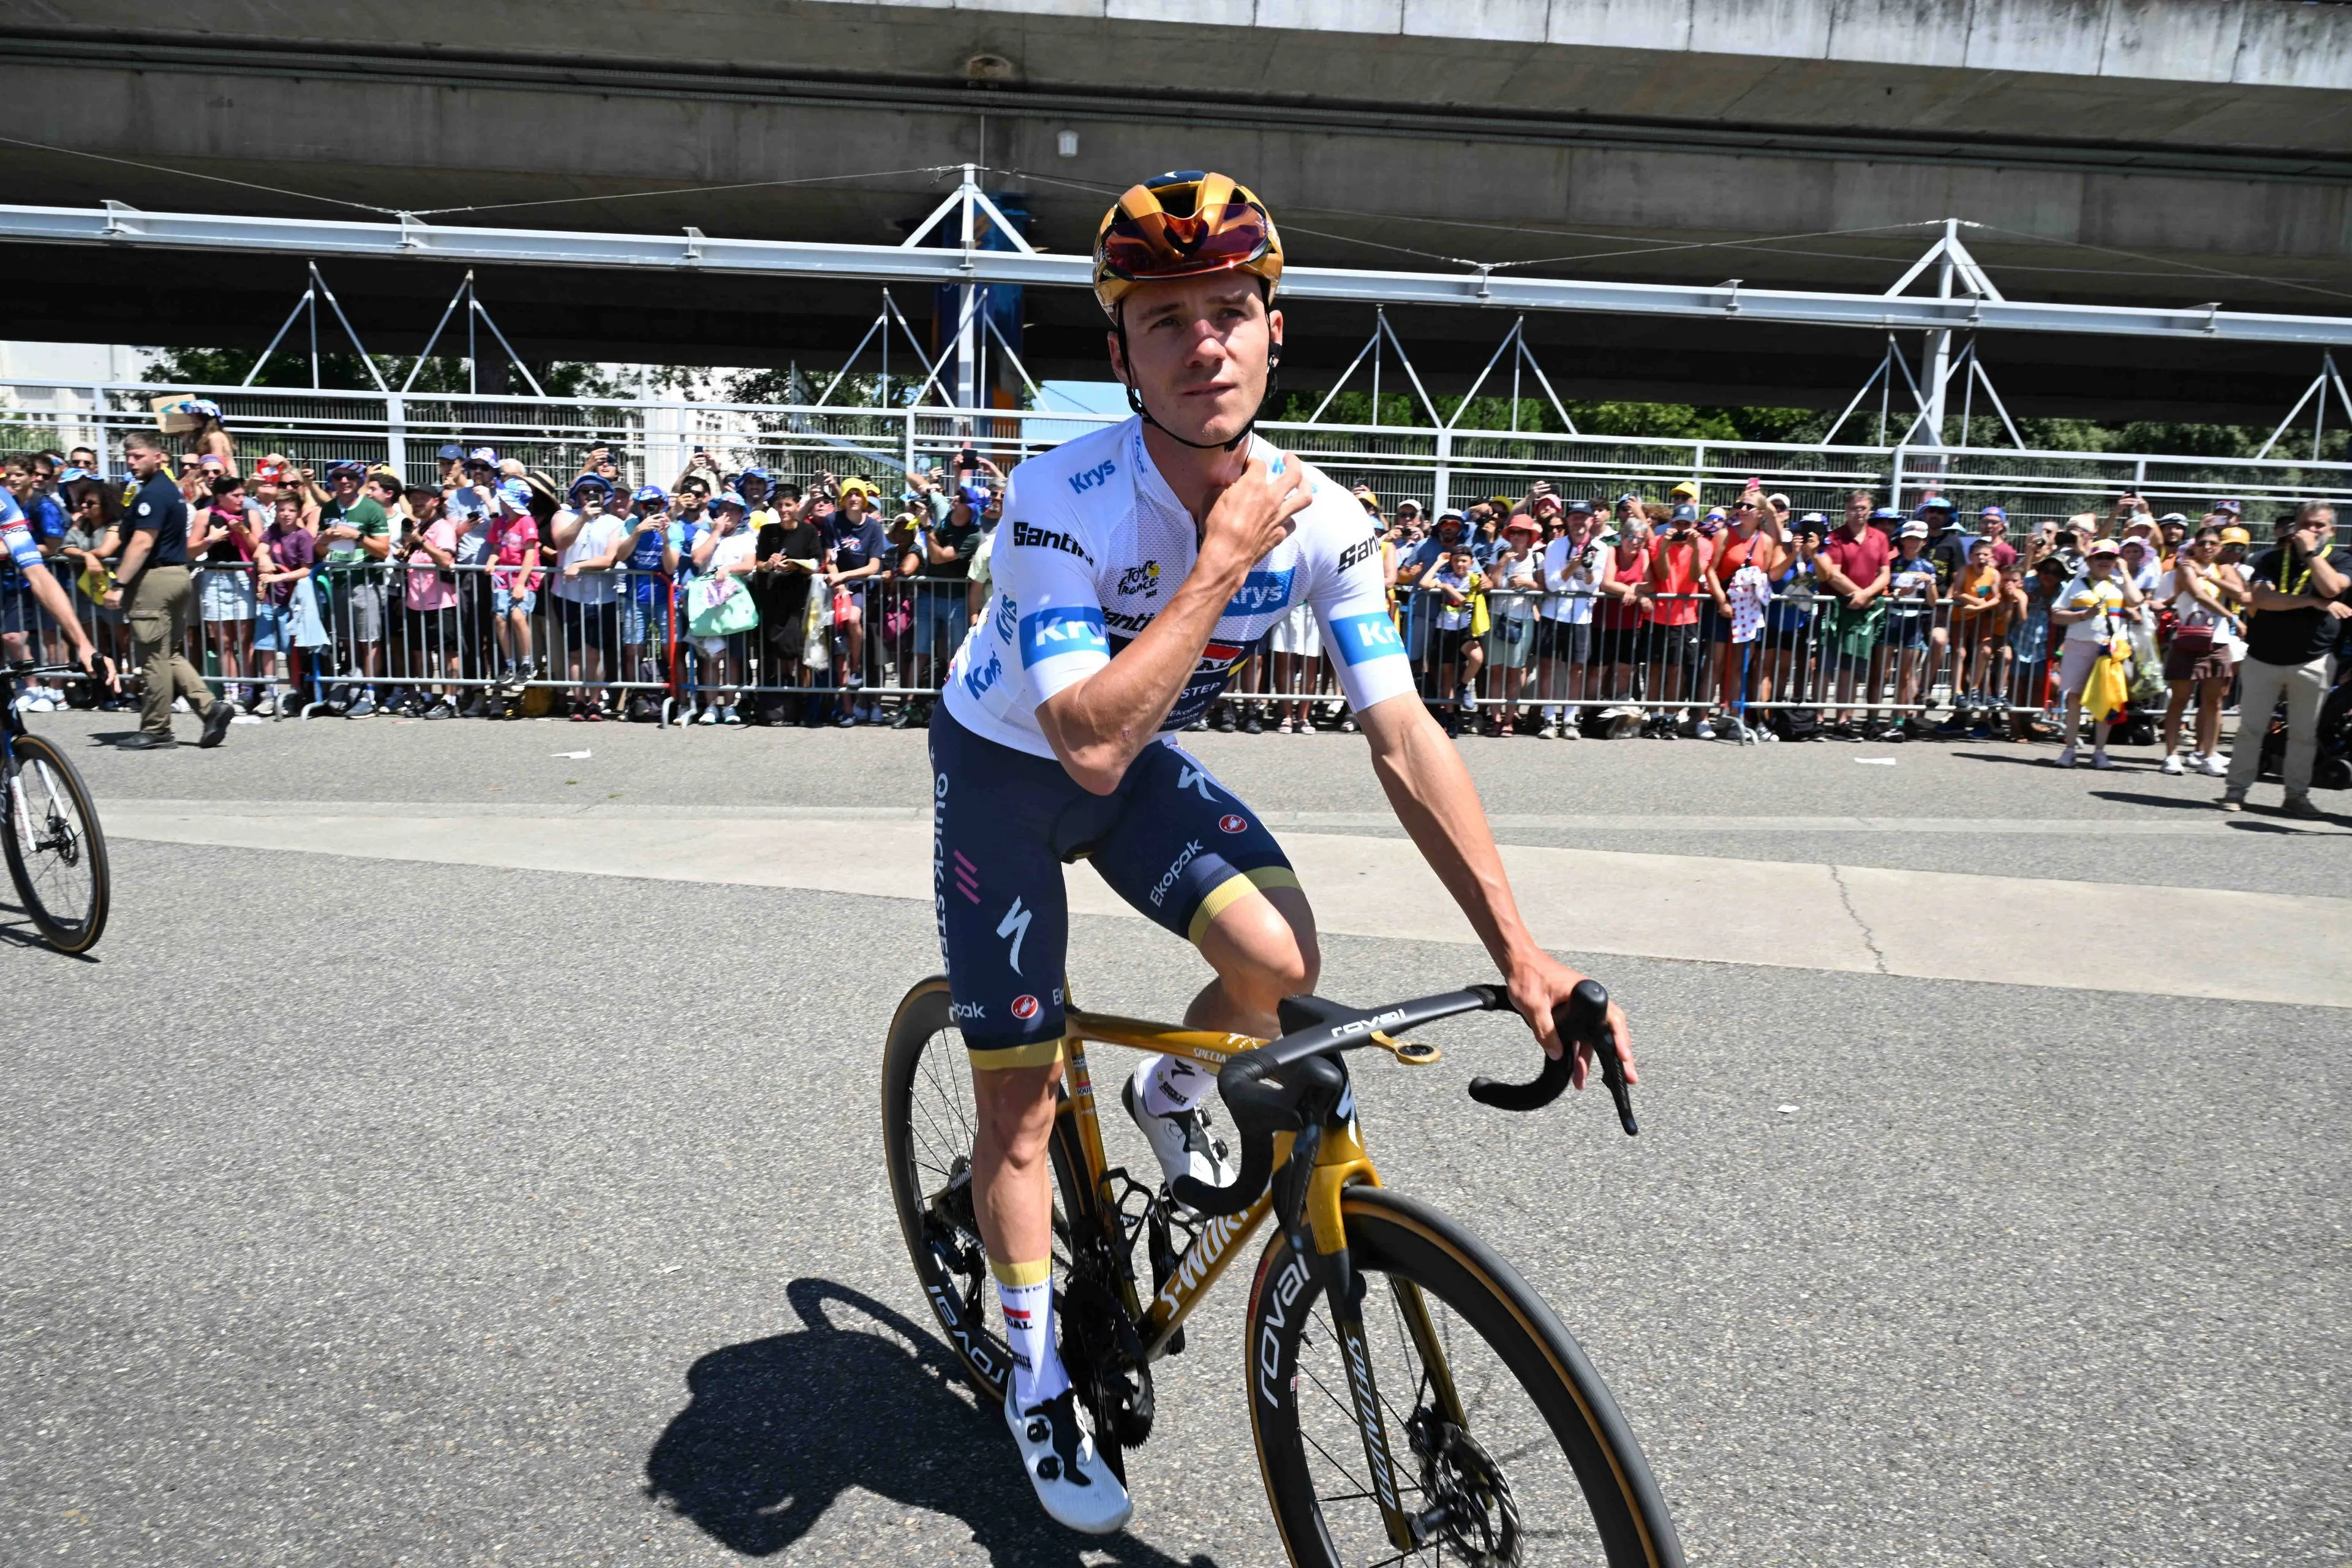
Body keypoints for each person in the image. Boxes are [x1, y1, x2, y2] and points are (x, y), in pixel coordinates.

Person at [930, 170, 1632, 1536]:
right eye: (1167, 319)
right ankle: (1032, 1380)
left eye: (1231, 312)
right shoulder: (1062, 496)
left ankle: (1169, 1091)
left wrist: (1521, 950)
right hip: (1015, 767)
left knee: (1278, 956)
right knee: (1017, 1100)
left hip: (1128, 754)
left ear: (1274, 328)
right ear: (1120, 349)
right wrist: (1216, 561)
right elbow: (1081, 736)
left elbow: (1405, 734)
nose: (1205, 344)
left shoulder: (1327, 514)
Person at [102, 433, 233, 749]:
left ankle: (157, 728)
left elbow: (143, 541)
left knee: (153, 659)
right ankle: (210, 708)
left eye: (137, 456)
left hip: (155, 581)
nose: (131, 462)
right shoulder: (169, 492)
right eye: (128, 457)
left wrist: (118, 584)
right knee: (168, 654)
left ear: (159, 456)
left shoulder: (154, 495)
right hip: (176, 576)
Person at [2220, 501, 2346, 817]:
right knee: (2251, 728)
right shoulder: (2271, 559)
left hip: (2313, 660)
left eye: (2319, 525)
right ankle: (2236, 791)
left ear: (2332, 531)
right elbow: (2262, 599)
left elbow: (2331, 587)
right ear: (2295, 526)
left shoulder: (2342, 560)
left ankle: (2296, 796)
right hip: (2264, 657)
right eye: (2306, 523)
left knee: (2304, 734)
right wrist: (2311, 602)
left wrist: (2312, 555)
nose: (2311, 530)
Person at [2049, 538, 2143, 770]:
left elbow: (2137, 600)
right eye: (2099, 557)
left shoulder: (2120, 583)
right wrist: (2083, 616)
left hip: (2109, 650)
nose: (2104, 561)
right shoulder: (2076, 584)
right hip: (2078, 645)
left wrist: (2124, 571)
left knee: (2107, 699)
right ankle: (2070, 749)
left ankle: (2100, 752)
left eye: (2110, 557)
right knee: (2074, 698)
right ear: (2090, 561)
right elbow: (2056, 615)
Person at [2158, 525, 2237, 777]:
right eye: (2203, 543)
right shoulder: (2186, 567)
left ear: (2220, 547)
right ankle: (2171, 755)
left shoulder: (2223, 570)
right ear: (2194, 546)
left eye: (2213, 543)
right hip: (2189, 640)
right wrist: (2233, 617)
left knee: (2214, 701)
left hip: (2218, 640)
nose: (2207, 547)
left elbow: (2243, 594)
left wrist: (2215, 578)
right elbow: (2198, 594)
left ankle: (2208, 755)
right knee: (2180, 699)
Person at [1817, 491, 1892, 739]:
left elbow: (1885, 574)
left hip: (1865, 609)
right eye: (1853, 508)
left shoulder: (1880, 537)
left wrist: (1867, 595)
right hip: (1839, 608)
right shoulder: (1834, 537)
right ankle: (1818, 718)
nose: (1858, 512)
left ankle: (1843, 721)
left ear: (1870, 510)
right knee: (1826, 667)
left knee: (1853, 669)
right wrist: (1858, 594)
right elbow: (1833, 574)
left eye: (1863, 508)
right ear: (1846, 510)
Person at [1534, 498, 1600, 738]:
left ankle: (1570, 720)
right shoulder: (1555, 547)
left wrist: (1587, 569)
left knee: (1577, 670)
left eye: (1583, 517)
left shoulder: (1600, 548)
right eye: (1574, 517)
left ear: (1591, 520)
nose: (1579, 522)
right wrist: (1571, 568)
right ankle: (1549, 719)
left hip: (1581, 617)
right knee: (1548, 666)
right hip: (1554, 614)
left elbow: (1593, 587)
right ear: (1567, 520)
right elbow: (1552, 585)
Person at [252, 492, 315, 715]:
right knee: (266, 647)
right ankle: (269, 693)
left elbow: (306, 568)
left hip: (293, 602)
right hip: (271, 599)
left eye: (290, 510)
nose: (286, 514)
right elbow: (259, 550)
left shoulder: (303, 536)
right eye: (281, 510)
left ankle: (294, 693)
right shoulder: (272, 532)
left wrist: (279, 577)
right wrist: (264, 558)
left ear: (298, 512)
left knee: (292, 650)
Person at [1482, 513, 1543, 735]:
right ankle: (1496, 719)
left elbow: (1543, 588)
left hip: (1523, 618)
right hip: (1498, 616)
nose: (1517, 536)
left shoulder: (1537, 559)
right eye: (1513, 532)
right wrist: (1503, 562)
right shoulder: (1499, 553)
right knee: (1496, 671)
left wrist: (1528, 582)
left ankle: (1510, 720)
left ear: (1529, 536)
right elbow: (1492, 583)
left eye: (1521, 533)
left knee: (1514, 672)